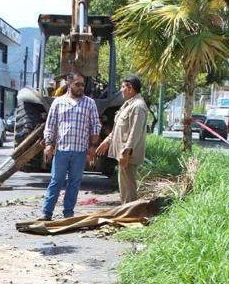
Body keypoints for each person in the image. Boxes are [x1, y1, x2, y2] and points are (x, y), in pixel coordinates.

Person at [38, 72, 101, 221]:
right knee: (56, 181)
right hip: (61, 150)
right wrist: (48, 144)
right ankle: (46, 213)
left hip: (80, 152)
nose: (81, 88)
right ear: (69, 84)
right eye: (77, 84)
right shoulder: (58, 102)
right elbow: (50, 125)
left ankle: (68, 214)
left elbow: (95, 126)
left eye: (83, 85)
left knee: (74, 183)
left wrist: (92, 146)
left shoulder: (89, 103)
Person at [96, 75, 149, 204]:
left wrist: (126, 151)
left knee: (128, 187)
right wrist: (107, 141)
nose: (121, 90)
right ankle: (126, 209)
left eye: (123, 87)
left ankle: (130, 211)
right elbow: (119, 128)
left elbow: (135, 132)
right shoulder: (128, 104)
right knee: (124, 186)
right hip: (123, 153)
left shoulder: (138, 106)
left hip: (128, 155)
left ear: (130, 88)